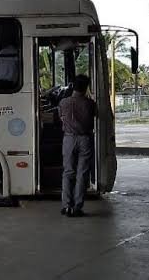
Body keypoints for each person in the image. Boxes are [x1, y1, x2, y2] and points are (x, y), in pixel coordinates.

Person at [59, 74, 96, 217]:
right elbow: (96, 117)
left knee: (68, 172)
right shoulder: (90, 103)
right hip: (85, 139)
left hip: (68, 139)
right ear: (86, 87)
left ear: (73, 86)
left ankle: (66, 205)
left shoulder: (63, 102)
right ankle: (77, 207)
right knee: (82, 173)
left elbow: (60, 118)